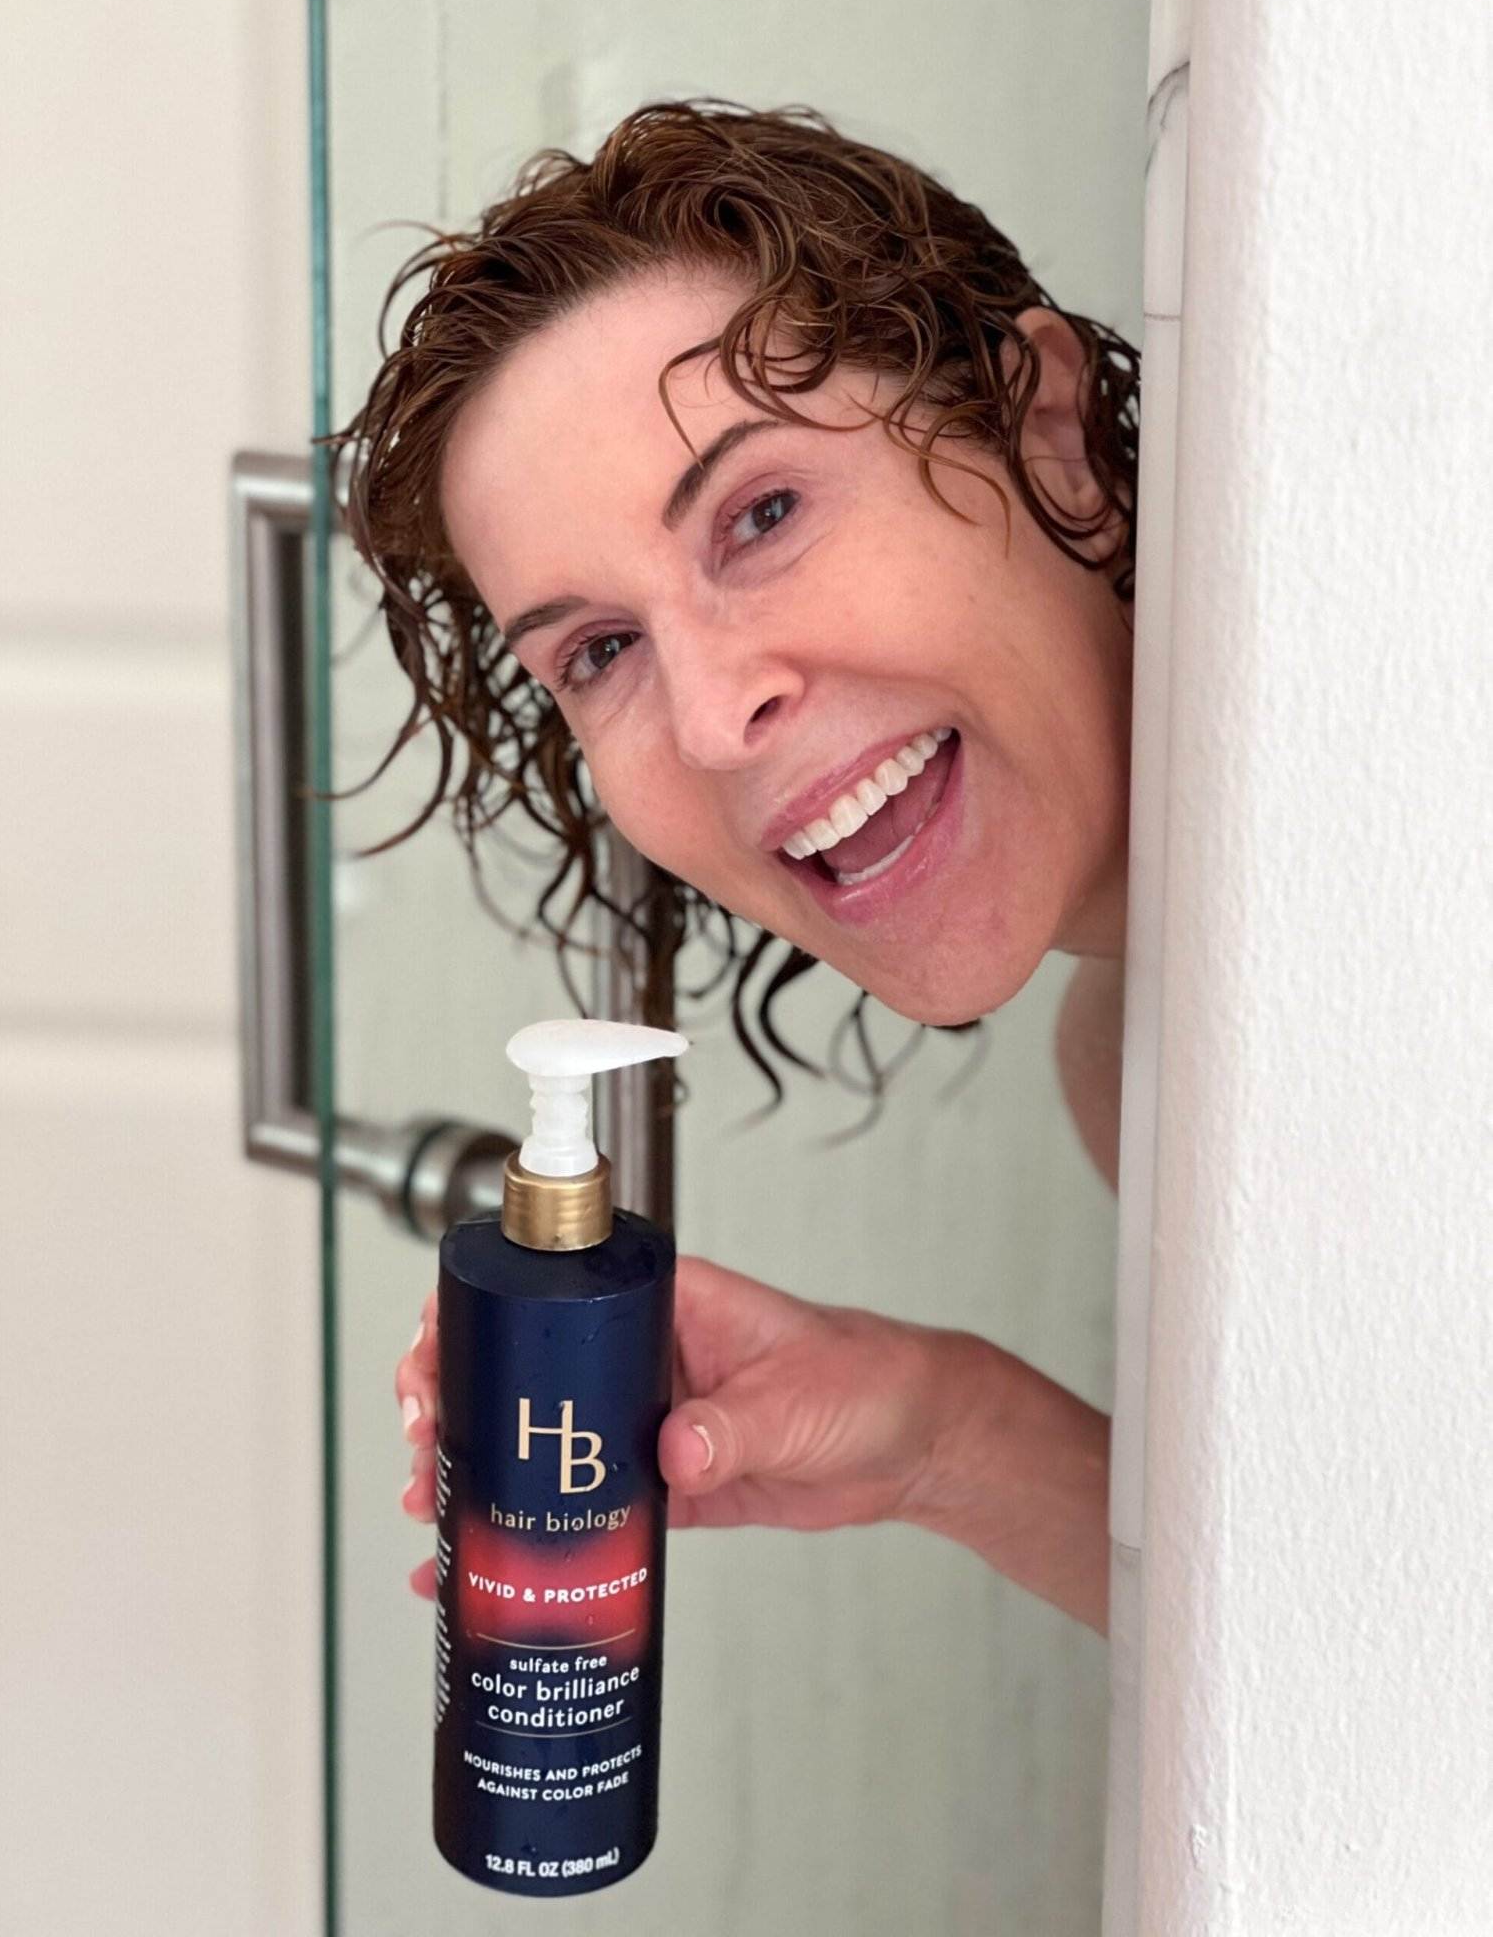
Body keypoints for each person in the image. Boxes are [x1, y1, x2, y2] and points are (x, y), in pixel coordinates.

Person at [331, 97, 1138, 1638]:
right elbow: (1367, 1666)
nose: (710, 721)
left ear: (1048, 433)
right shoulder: (1130, 1058)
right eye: (602, 651)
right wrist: (948, 1436)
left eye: (761, 514)